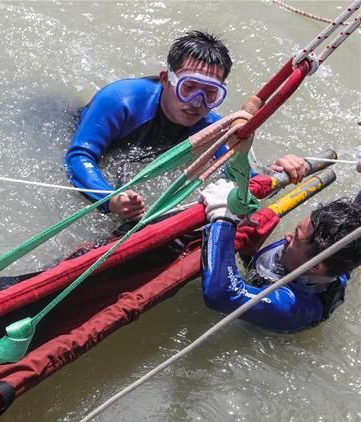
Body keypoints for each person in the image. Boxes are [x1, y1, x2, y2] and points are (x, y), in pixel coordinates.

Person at [65, 30, 308, 221]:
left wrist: (279, 171)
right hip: (73, 122)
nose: (196, 103)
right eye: (189, 88)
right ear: (165, 80)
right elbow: (80, 155)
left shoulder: (211, 129)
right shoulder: (120, 101)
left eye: (210, 93)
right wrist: (111, 199)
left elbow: (243, 180)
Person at [200, 179, 361, 332]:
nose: (287, 235)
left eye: (296, 237)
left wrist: (222, 218)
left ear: (315, 265)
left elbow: (224, 294)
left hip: (253, 337)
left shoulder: (291, 307)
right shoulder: (341, 249)